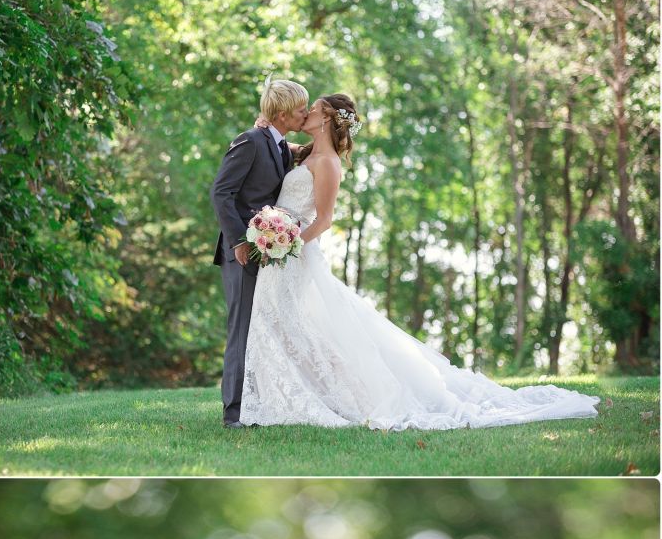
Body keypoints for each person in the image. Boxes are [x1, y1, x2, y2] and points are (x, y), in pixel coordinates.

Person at [240, 95, 601, 430]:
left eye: (313, 108)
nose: (306, 113)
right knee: (286, 326)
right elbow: (274, 146)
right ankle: (283, 396)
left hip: (294, 256)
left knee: (305, 328)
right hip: (282, 256)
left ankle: (327, 397)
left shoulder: (329, 164)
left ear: (327, 118)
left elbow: (325, 220)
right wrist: (264, 129)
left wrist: (286, 246)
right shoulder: (303, 154)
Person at [210, 75, 309, 427]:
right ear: (282, 114)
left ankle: (256, 405)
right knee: (242, 328)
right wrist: (238, 239)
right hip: (241, 252)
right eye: (300, 109)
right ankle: (233, 412)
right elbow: (221, 192)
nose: (306, 114)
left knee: (261, 327)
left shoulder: (281, 146)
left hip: (268, 250)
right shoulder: (250, 141)